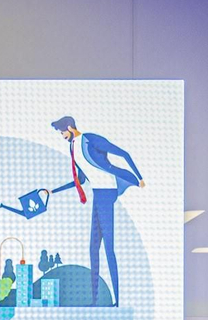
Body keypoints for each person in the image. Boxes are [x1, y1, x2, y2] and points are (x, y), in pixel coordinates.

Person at [49, 115, 144, 306]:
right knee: (93, 248)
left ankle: (117, 301)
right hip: (97, 195)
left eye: (62, 132)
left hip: (107, 194)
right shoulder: (73, 147)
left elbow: (123, 153)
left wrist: (139, 177)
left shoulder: (90, 140)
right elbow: (81, 179)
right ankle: (94, 301)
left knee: (109, 247)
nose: (61, 135)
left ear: (70, 127)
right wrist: (52, 191)